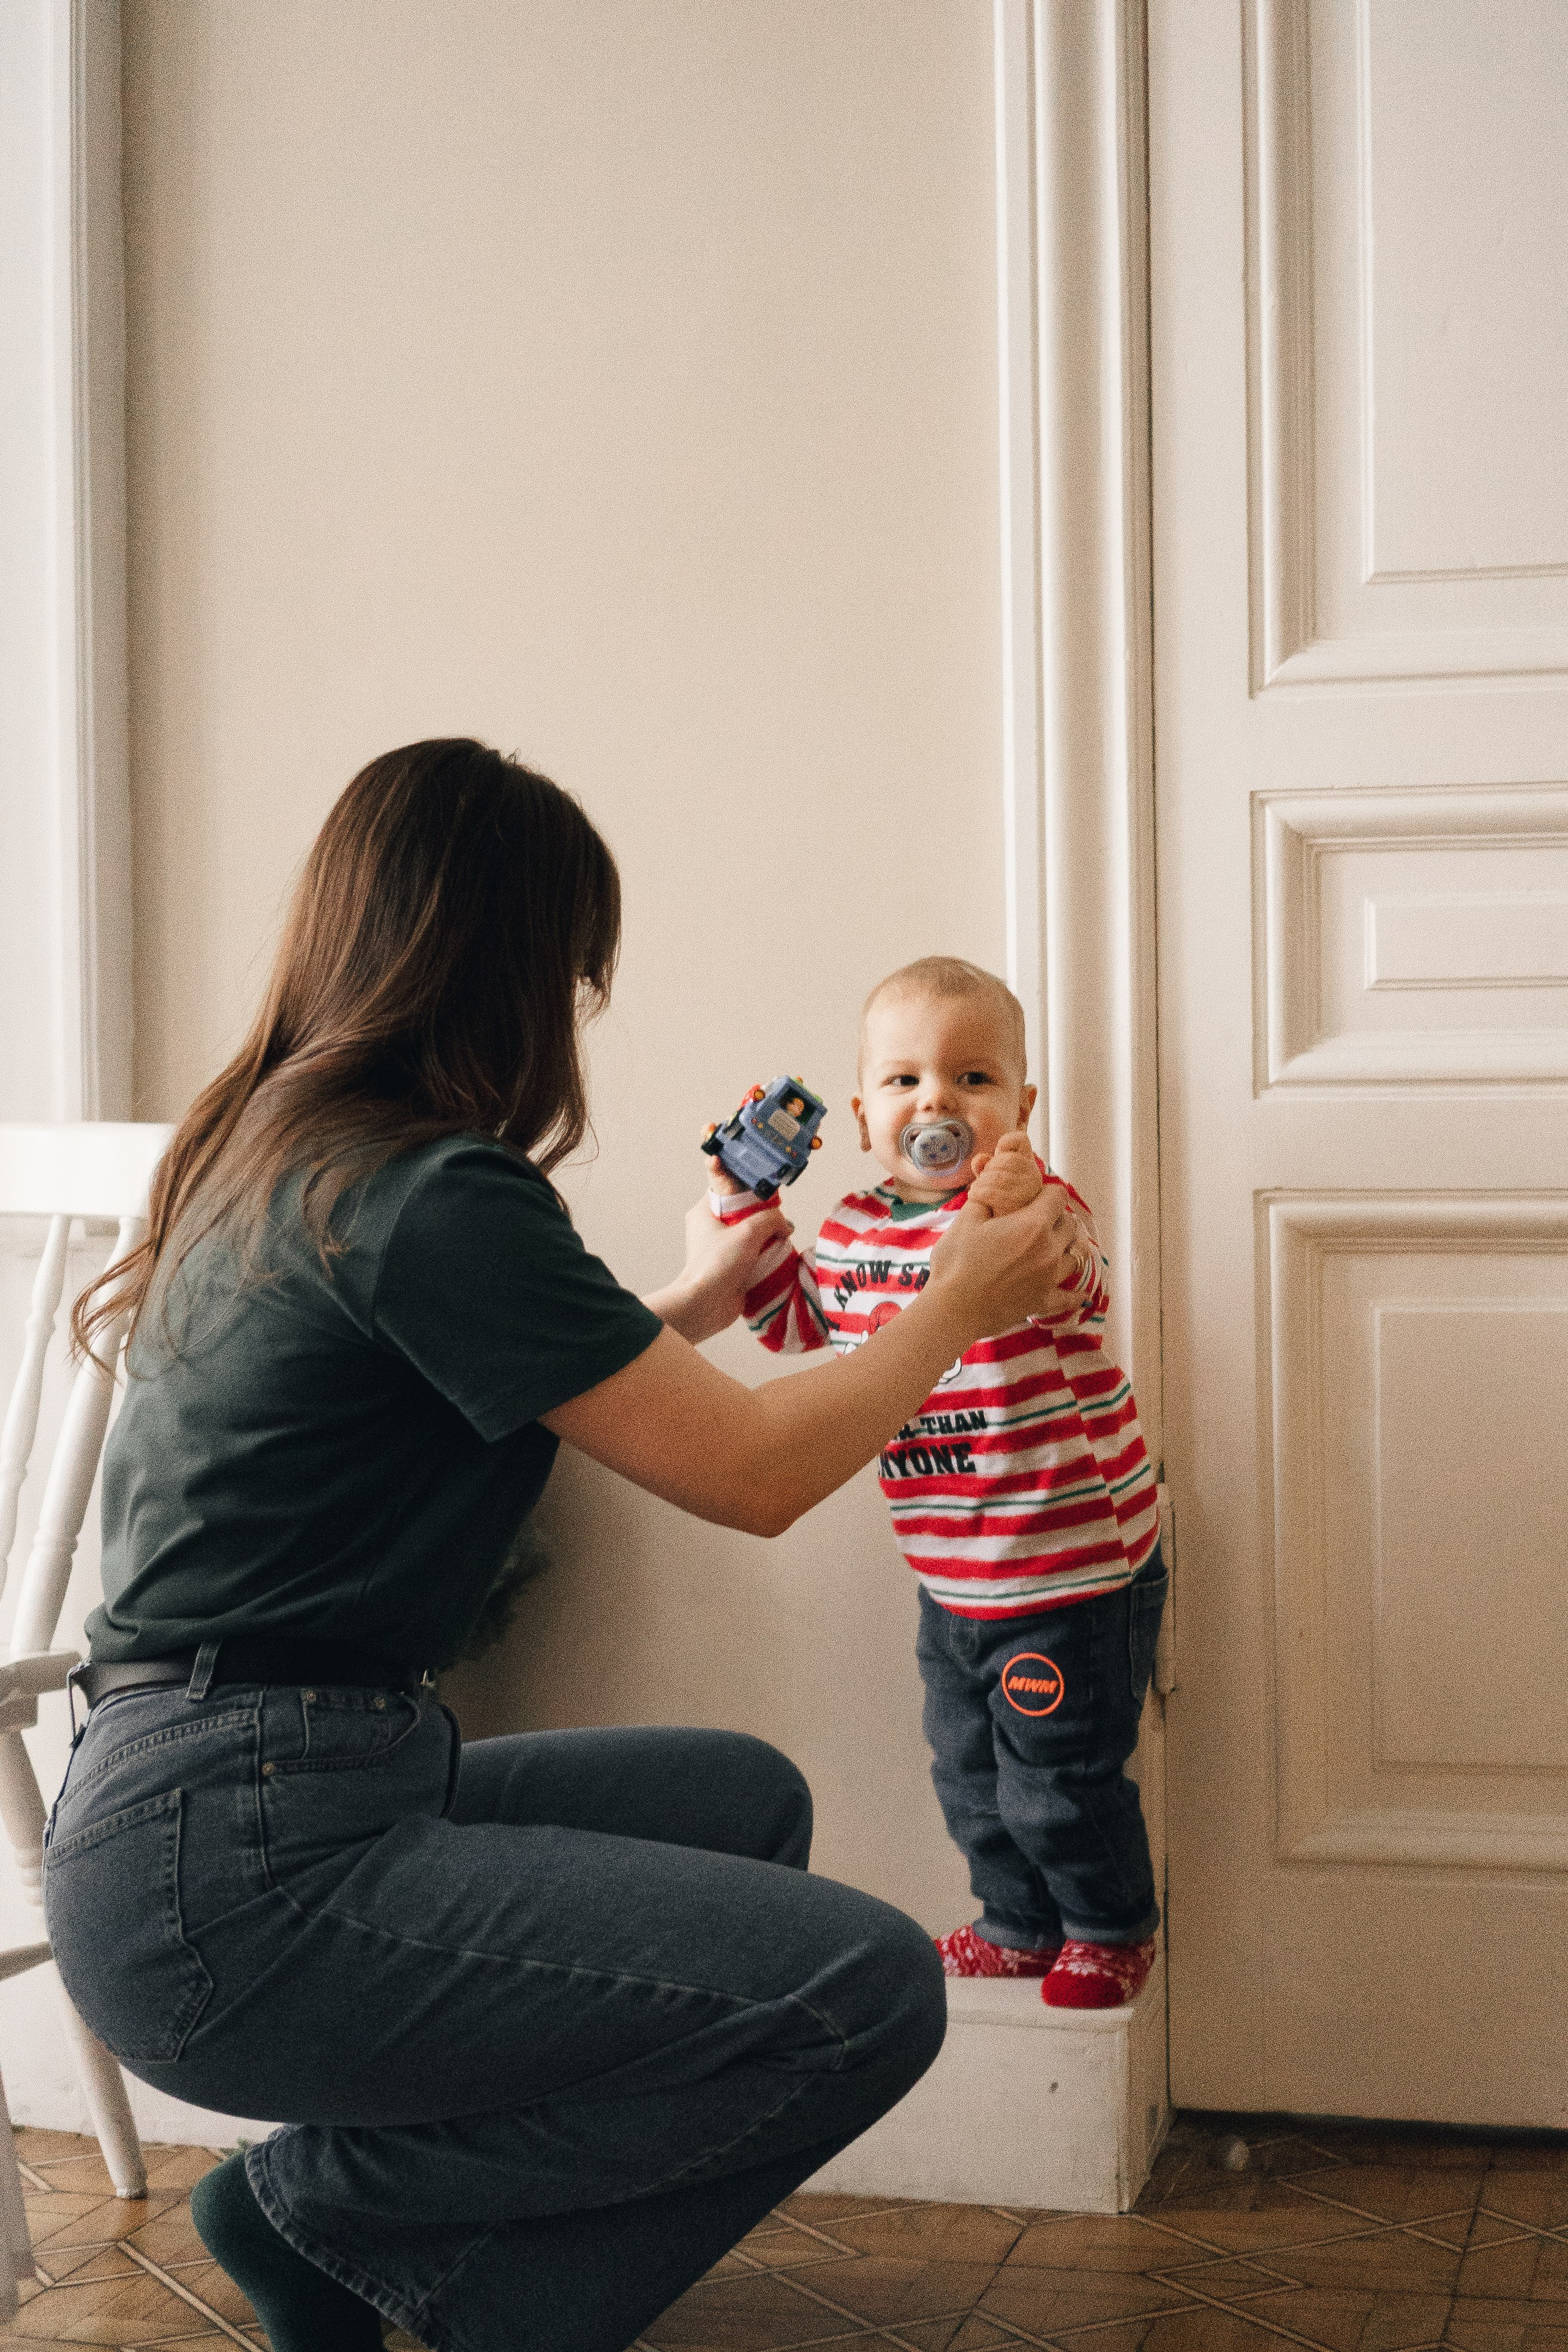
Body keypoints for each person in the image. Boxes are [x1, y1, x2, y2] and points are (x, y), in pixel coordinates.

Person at [42, 743, 1084, 2352]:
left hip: (233, 1794)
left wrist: (684, 1308)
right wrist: (959, 1305)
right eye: (572, 978)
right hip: (232, 1870)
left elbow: (466, 1394)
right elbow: (751, 1473)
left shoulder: (282, 1144)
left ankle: (342, 2218)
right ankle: (377, 2242)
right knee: (869, 1990)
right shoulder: (428, 1189)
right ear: (510, 969)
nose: (574, 1015)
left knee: (740, 1805)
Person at [708, 957, 1167, 2009]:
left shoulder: (1037, 1213)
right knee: (970, 1776)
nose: (937, 1105)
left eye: (972, 1080)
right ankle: (1016, 1924)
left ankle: (1107, 1927)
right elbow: (794, 1326)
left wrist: (1016, 1201)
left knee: (1057, 1778)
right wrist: (742, 1211)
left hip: (1068, 1567)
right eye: (907, 1082)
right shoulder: (858, 1227)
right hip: (949, 1576)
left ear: (1021, 1107)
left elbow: (1078, 1287)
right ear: (862, 1111)